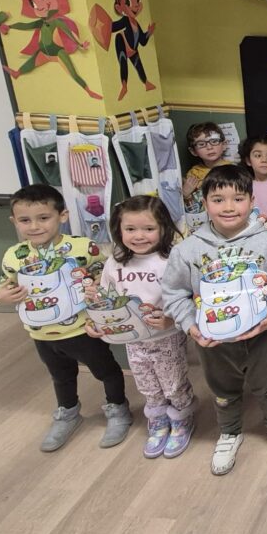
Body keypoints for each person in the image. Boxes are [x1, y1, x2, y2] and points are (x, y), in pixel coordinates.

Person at [162, 165, 267, 476]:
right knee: (222, 387)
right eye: (218, 199)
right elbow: (173, 292)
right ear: (204, 203)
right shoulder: (188, 249)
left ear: (252, 201)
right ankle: (230, 432)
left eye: (238, 199)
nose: (228, 207)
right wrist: (191, 326)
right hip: (214, 338)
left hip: (264, 333)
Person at [0, 184, 130, 452]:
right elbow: (3, 284)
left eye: (43, 217)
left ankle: (118, 408)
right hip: (41, 332)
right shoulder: (14, 256)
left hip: (82, 329)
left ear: (62, 215)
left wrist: (99, 283)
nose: (34, 226)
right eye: (25, 220)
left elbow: (106, 272)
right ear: (14, 221)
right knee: (60, 375)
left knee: (106, 370)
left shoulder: (82, 247)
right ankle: (68, 412)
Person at [82, 196, 195, 459]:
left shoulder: (173, 260)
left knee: (173, 383)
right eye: (130, 229)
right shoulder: (115, 262)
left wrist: (172, 320)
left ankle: (181, 418)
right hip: (132, 338)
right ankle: (158, 419)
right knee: (146, 383)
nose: (139, 236)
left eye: (148, 228)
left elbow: (189, 298)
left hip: (167, 336)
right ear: (119, 230)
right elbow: (107, 299)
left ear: (163, 227)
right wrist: (95, 321)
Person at [0, 0, 103, 99]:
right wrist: (10, 26)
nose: (39, 7)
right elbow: (25, 25)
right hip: (44, 53)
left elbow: (69, 33)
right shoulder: (40, 22)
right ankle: (17, 73)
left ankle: (89, 91)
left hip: (57, 53)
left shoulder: (57, 21)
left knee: (73, 73)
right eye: (33, 3)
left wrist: (80, 45)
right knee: (30, 62)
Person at [181, 122, 230, 234]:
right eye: (201, 144)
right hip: (203, 225)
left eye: (214, 141)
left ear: (224, 144)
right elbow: (192, 207)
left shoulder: (232, 170)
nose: (209, 147)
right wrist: (186, 194)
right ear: (193, 151)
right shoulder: (193, 174)